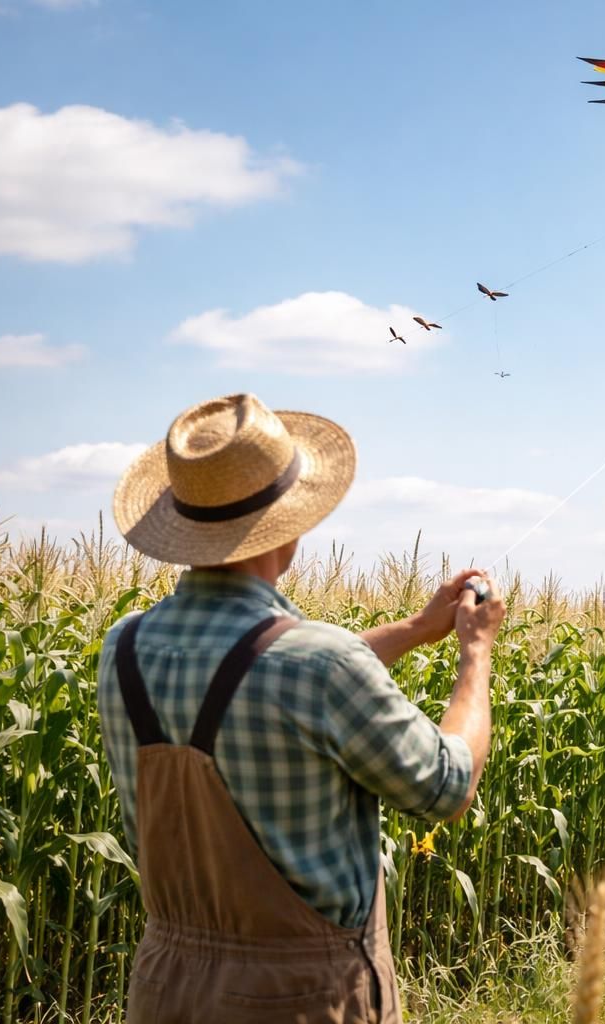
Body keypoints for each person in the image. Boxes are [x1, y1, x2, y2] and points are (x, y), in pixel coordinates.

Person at [96, 392, 504, 1023]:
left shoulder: (122, 647)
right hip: (299, 996)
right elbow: (448, 786)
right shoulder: (322, 666)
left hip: (165, 988)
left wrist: (416, 628)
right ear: (288, 523)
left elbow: (252, 673)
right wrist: (474, 655)